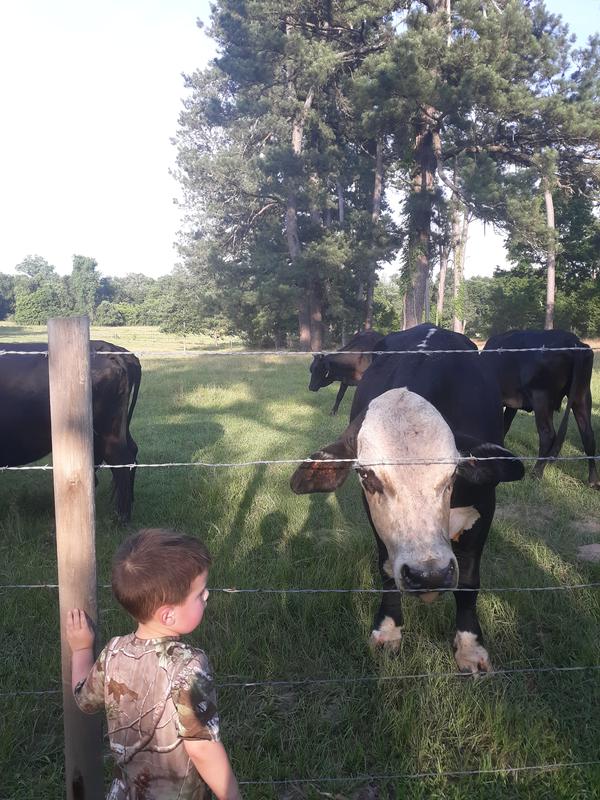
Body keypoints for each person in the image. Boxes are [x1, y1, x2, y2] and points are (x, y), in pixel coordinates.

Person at [66, 528, 242, 800]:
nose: (207, 596)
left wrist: (81, 648)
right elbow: (202, 748)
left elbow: (83, 699)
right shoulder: (189, 666)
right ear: (168, 615)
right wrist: (231, 796)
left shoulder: (113, 652)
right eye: (199, 593)